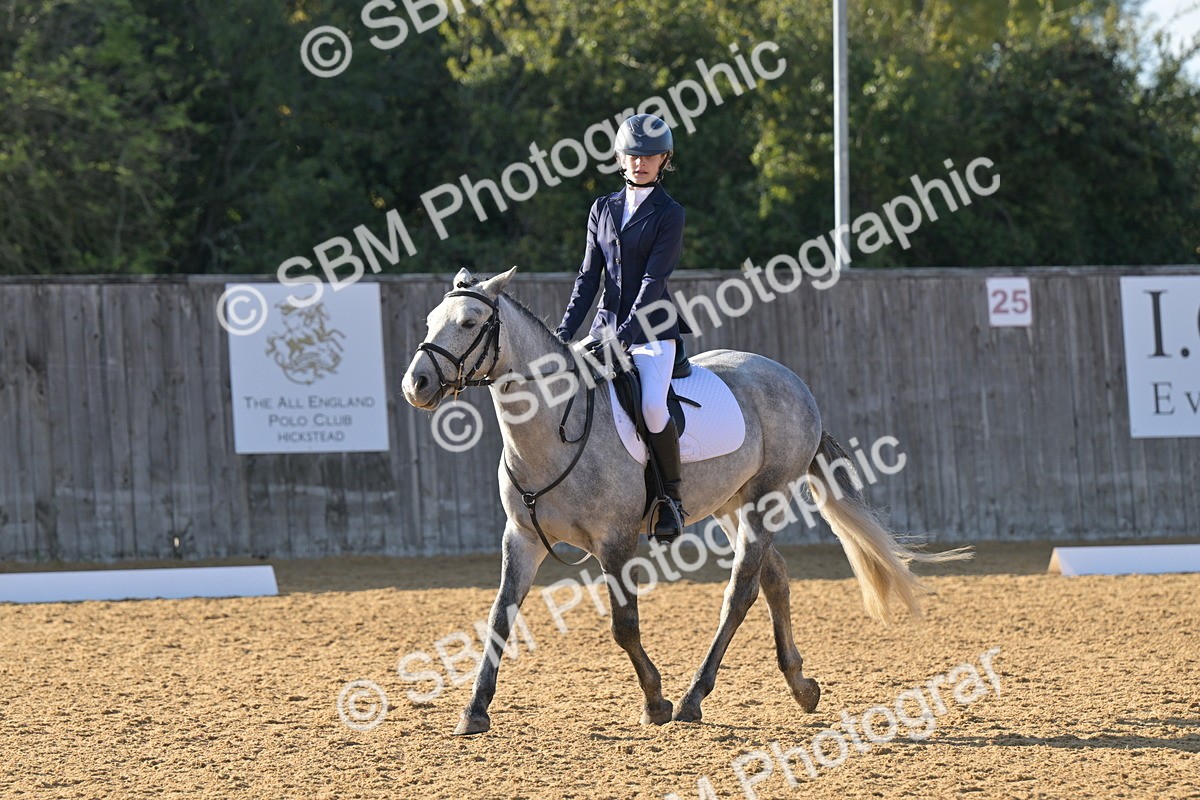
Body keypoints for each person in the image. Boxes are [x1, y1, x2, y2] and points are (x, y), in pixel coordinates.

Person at [554, 113, 691, 540]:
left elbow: (654, 282)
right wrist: (563, 334)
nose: (640, 162)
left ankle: (670, 499)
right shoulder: (603, 208)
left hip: (651, 331)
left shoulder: (670, 213)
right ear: (619, 157)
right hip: (604, 329)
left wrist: (625, 337)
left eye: (650, 156)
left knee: (652, 407)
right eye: (633, 155)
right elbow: (588, 278)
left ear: (664, 159)